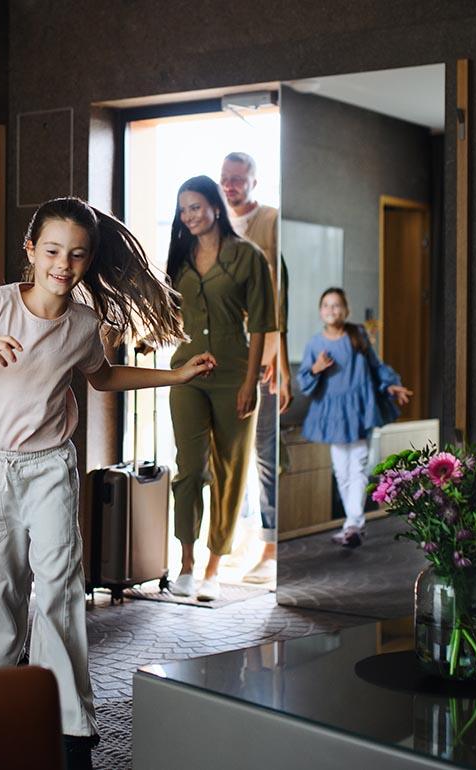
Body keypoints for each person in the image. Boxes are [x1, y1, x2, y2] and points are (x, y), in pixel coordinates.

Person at [0, 197, 215, 770]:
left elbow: (102, 378)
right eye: (52, 250)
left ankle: (72, 725)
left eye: (77, 254)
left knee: (59, 587)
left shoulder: (82, 324)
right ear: (31, 250)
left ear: (88, 260)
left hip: (51, 466)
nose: (63, 263)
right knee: (3, 582)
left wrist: (174, 374)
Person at [166, 175, 276, 602]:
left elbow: (263, 323)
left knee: (230, 474)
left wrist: (251, 382)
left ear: (214, 206)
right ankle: (187, 564)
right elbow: (168, 310)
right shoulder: (180, 256)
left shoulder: (248, 256)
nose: (188, 216)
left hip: (235, 377)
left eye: (195, 206)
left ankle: (215, 566)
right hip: (187, 374)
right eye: (182, 210)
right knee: (190, 469)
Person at [219, 151, 292, 584]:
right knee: (227, 452)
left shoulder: (271, 222)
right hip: (223, 355)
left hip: (260, 355)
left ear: (254, 182)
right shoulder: (213, 224)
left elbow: (277, 298)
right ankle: (238, 537)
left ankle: (271, 545)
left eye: (238, 180)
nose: (230, 186)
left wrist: (274, 361)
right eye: (225, 178)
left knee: (264, 451)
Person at [297, 287, 413, 547]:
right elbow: (305, 378)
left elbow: (375, 367)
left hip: (360, 409)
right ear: (320, 311)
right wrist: (316, 368)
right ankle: (353, 524)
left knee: (358, 466)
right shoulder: (315, 344)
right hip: (334, 414)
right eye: (326, 305)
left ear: (346, 310)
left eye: (336, 305)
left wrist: (391, 385)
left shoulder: (357, 335)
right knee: (341, 470)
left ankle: (353, 524)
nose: (331, 310)